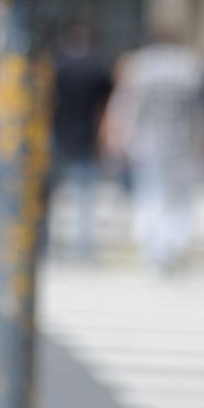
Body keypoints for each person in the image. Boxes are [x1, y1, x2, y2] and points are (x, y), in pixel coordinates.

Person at [103, 31, 204, 273]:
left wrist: (118, 139)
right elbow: (203, 112)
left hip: (147, 143)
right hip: (182, 143)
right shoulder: (190, 67)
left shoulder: (140, 66)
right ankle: (173, 247)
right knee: (179, 199)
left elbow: (125, 107)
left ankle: (153, 250)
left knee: (150, 195)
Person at [51, 23, 113, 260]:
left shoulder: (58, 66)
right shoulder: (97, 68)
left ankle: (46, 246)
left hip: (58, 135)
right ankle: (84, 250)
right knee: (85, 198)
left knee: (48, 196)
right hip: (87, 137)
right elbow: (104, 107)